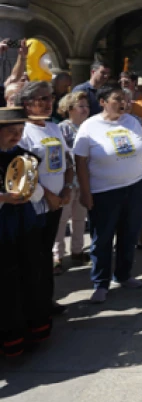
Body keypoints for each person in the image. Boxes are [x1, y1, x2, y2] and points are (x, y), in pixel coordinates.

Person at [74, 86, 142, 304]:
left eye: (126, 100)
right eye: (118, 99)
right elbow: (80, 163)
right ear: (102, 102)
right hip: (104, 192)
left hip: (134, 187)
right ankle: (100, 283)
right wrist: (85, 192)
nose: (124, 104)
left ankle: (123, 274)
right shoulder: (89, 126)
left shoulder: (132, 122)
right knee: (102, 239)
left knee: (129, 234)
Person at [19, 82, 74, 316]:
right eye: (40, 99)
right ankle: (33, 305)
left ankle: (46, 300)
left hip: (57, 202)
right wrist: (48, 195)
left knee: (46, 257)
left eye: (49, 97)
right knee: (34, 257)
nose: (47, 102)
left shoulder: (54, 128)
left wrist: (68, 187)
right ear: (26, 104)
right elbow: (23, 171)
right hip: (35, 205)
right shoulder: (21, 131)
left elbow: (67, 160)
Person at [0, 107, 51, 357]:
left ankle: (33, 331)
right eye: (11, 132)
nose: (17, 136)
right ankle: (11, 339)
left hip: (24, 224)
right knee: (6, 283)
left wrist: (31, 192)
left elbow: (35, 188)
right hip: (2, 228)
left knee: (30, 275)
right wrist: (3, 198)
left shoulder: (25, 156)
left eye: (20, 131)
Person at [54, 91, 90, 269]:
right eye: (81, 106)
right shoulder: (62, 128)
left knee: (79, 218)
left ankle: (77, 250)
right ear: (69, 109)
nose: (85, 110)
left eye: (86, 106)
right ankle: (57, 255)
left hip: (84, 180)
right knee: (62, 219)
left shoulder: (90, 127)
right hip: (67, 180)